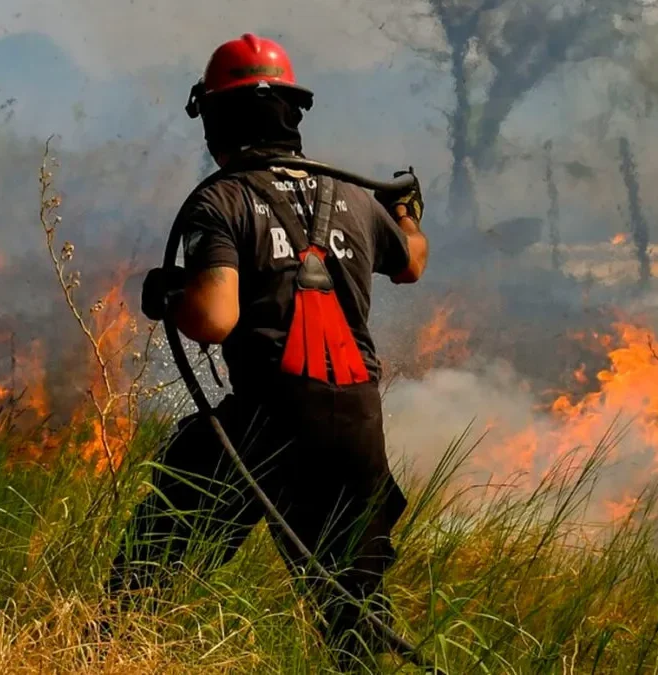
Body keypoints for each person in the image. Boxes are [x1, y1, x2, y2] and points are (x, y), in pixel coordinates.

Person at [105, 33, 429, 670]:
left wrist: (169, 294)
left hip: (267, 426)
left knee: (148, 570)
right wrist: (409, 214)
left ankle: (100, 655)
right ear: (291, 113)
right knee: (352, 611)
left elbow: (214, 317)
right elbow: (411, 263)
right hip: (358, 429)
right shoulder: (355, 198)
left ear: (217, 118)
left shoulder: (220, 200)